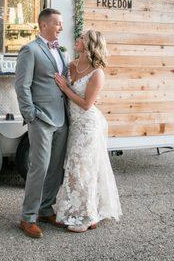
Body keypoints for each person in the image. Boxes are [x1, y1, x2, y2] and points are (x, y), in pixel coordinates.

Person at [53, 30, 122, 233]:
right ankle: (76, 211)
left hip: (88, 126)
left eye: (82, 38)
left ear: (90, 44)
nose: (77, 40)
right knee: (73, 169)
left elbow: (86, 104)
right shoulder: (71, 65)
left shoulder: (97, 72)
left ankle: (85, 216)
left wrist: (66, 89)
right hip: (73, 125)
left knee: (82, 170)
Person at [14, 8, 69, 239]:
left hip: (62, 118)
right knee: (39, 168)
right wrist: (31, 115)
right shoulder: (30, 50)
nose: (61, 28)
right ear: (44, 25)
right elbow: (21, 85)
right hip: (41, 119)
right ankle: (28, 217)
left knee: (56, 168)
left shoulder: (60, 51)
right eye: (58, 23)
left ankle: (46, 209)